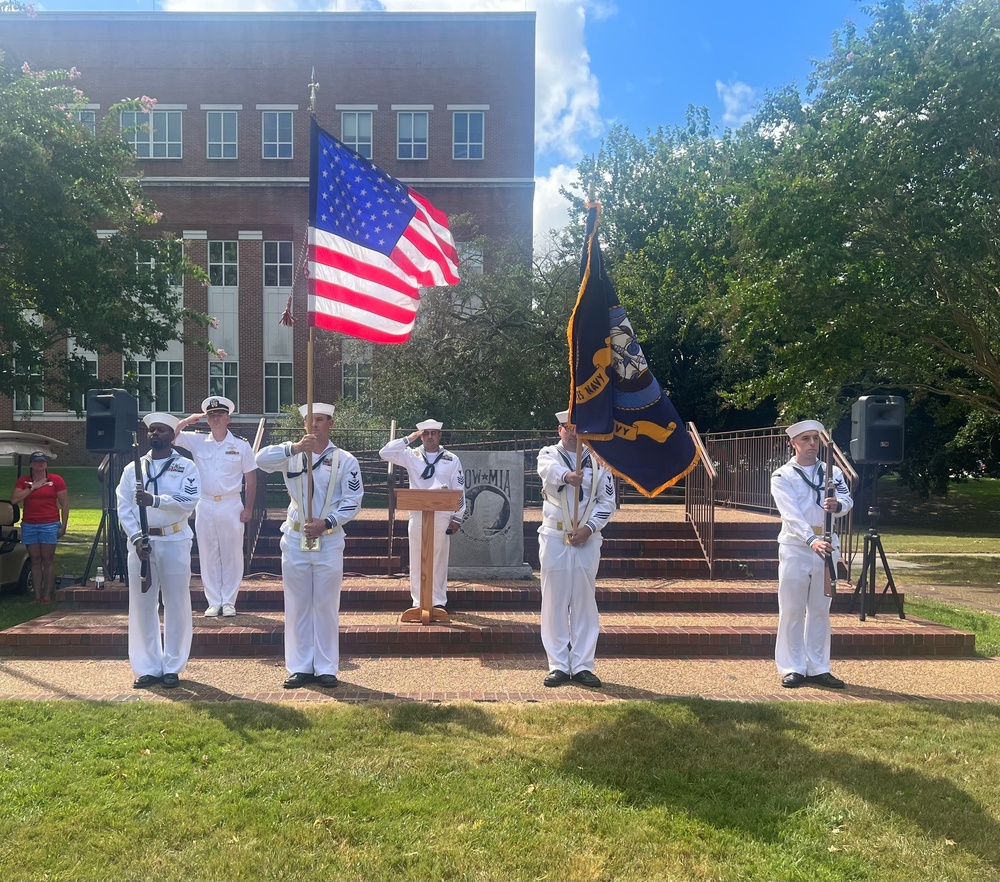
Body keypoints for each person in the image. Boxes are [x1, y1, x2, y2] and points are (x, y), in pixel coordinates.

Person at [255, 403, 364, 689]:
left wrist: (327, 522)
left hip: (327, 540)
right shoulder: (291, 454)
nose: (314, 425)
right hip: (295, 539)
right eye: (309, 420)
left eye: (319, 420)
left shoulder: (345, 460)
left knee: (326, 605)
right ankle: (300, 666)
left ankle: (326, 667)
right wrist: (294, 448)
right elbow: (260, 460)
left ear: (330, 424)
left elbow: (352, 502)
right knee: (297, 605)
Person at [116, 413, 201, 689]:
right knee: (142, 604)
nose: (155, 434)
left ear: (172, 435)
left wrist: (155, 500)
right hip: (142, 544)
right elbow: (125, 507)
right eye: (152, 430)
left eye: (162, 430)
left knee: (176, 602)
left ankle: (172, 666)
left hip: (174, 540)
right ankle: (147, 666)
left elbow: (188, 501)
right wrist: (136, 537)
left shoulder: (185, 466)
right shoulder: (134, 469)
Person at [770, 419, 854, 689]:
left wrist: (838, 504)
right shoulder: (782, 475)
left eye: (815, 439)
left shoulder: (833, 473)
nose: (811, 444)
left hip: (828, 544)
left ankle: (818, 667)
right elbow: (790, 514)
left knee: (819, 610)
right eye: (805, 439)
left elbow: (848, 500)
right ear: (792, 443)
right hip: (797, 546)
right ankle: (794, 666)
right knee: (793, 609)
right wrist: (811, 540)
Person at [536, 411, 616, 688]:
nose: (572, 433)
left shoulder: (598, 460)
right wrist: (568, 476)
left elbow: (607, 502)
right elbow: (547, 471)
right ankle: (558, 664)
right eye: (567, 428)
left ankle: (582, 664)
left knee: (584, 601)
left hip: (586, 537)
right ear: (559, 430)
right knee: (555, 600)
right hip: (556, 535)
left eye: (577, 428)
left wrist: (590, 528)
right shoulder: (548, 454)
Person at [174, 396, 258, 618]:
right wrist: (186, 421)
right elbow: (169, 437)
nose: (216, 418)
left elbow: (251, 479)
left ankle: (229, 601)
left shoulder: (241, 444)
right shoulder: (198, 440)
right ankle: (213, 601)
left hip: (231, 504)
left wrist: (248, 508)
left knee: (232, 554)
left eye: (220, 415)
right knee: (208, 553)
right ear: (207, 420)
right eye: (212, 415)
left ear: (228, 418)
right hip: (206, 502)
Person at [379, 419, 466, 610]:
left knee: (439, 559)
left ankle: (438, 601)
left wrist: (458, 517)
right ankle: (418, 601)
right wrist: (408, 439)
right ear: (421, 435)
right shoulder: (412, 455)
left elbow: (459, 488)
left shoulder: (451, 458)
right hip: (417, 513)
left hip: (442, 514)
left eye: (433, 433)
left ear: (440, 435)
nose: (429, 437)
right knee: (417, 558)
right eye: (425, 433)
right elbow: (384, 453)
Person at [10, 451, 69, 603]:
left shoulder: (56, 480)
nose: (40, 464)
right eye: (36, 462)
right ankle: (36, 595)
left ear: (46, 464)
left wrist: (63, 525)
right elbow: (15, 500)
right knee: (35, 559)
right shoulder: (24, 481)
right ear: (31, 465)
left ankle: (47, 595)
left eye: (42, 461)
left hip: (49, 523)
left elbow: (64, 504)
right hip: (30, 524)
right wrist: (32, 488)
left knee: (47, 559)